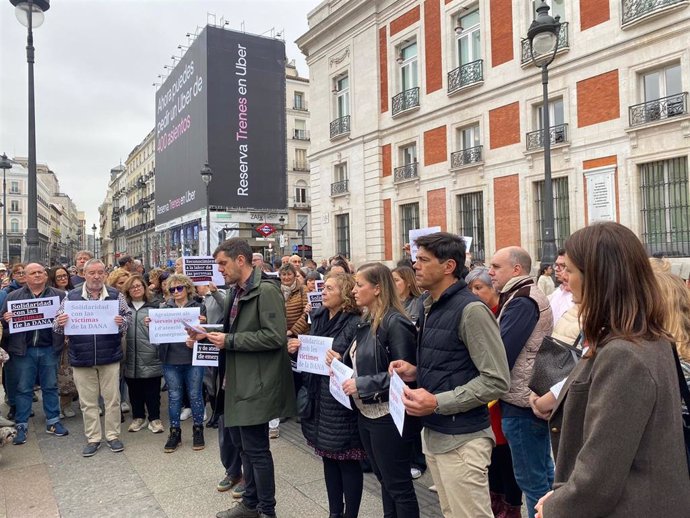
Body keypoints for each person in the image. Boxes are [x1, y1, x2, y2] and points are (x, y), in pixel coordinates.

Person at [535, 222, 690, 518]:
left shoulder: (625, 353)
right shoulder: (643, 338)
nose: (564, 277)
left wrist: (556, 507)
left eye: (570, 269)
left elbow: (600, 471)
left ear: (597, 276)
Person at [392, 234, 510, 518]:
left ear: (448, 266)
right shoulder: (429, 305)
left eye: (423, 260)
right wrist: (417, 371)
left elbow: (496, 380)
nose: (415, 265)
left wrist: (438, 402)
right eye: (415, 259)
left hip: (464, 440)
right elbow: (454, 364)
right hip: (435, 433)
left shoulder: (471, 310)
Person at [191, 237, 295, 518]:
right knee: (243, 448)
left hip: (256, 384)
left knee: (257, 450)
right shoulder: (236, 290)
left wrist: (230, 340)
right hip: (235, 380)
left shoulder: (267, 291)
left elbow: (274, 337)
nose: (219, 269)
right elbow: (232, 332)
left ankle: (266, 511)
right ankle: (250, 504)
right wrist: (203, 336)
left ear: (241, 260)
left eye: (222, 263)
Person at [329, 262, 420, 518]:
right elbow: (362, 361)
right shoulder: (367, 320)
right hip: (366, 412)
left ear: (377, 289)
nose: (354, 291)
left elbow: (404, 374)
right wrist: (339, 361)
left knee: (398, 485)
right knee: (384, 480)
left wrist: (362, 384)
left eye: (359, 285)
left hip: (387, 416)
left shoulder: (396, 322)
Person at [488, 247, 553, 518]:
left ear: (516, 269)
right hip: (527, 395)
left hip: (521, 400)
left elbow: (501, 351)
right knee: (542, 473)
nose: (490, 271)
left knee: (531, 480)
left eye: (496, 266)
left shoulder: (522, 300)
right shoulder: (521, 295)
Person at [292, 273, 363, 518]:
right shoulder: (319, 315)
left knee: (347, 461)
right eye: (324, 288)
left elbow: (359, 360)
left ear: (344, 294)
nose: (323, 291)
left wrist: (341, 359)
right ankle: (335, 512)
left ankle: (350, 514)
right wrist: (299, 349)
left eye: (329, 288)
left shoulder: (355, 322)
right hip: (318, 398)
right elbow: (311, 351)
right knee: (328, 459)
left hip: (340, 400)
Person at [53, 259, 131, 457]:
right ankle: (93, 438)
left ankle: (113, 436)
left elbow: (127, 318)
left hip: (109, 355)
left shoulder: (115, 295)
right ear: (84, 274)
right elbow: (56, 325)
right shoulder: (71, 296)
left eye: (100, 272)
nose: (96, 276)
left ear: (105, 274)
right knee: (88, 402)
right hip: (81, 356)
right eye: (92, 273)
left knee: (112, 399)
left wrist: (121, 322)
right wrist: (61, 322)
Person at [465, 266, 523, 517]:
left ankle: (511, 506)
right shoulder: (472, 314)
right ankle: (495, 502)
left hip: (501, 398)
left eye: (479, 288)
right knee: (491, 457)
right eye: (471, 289)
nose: (474, 293)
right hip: (483, 398)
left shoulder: (503, 314)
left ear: (493, 289)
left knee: (505, 455)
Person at [2, 263, 69, 445]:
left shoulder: (60, 296)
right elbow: (3, 328)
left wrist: (65, 321)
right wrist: (6, 320)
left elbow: (70, 322)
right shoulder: (13, 297)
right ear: (25, 276)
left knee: (50, 386)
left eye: (41, 272)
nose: (37, 275)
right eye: (33, 273)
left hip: (49, 348)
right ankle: (21, 423)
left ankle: (53, 421)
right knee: (23, 388)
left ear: (46, 276)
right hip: (24, 351)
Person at [156, 274, 207, 452]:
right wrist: (152, 325)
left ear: (187, 288)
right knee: (175, 396)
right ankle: (175, 431)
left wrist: (203, 327)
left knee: (195, 394)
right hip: (170, 358)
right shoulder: (163, 308)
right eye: (172, 289)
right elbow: (157, 334)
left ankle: (198, 429)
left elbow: (206, 334)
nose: (176, 292)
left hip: (192, 358)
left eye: (179, 288)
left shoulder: (199, 307)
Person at [122, 275, 164, 434]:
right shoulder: (123, 308)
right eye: (132, 287)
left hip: (151, 354)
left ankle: (155, 418)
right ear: (128, 290)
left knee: (153, 390)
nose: (136, 289)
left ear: (145, 288)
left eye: (139, 285)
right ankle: (138, 417)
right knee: (134, 390)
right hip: (129, 356)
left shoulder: (155, 307)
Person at [48, 266, 77, 418]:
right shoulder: (49, 295)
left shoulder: (74, 293)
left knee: (68, 374)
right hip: (54, 340)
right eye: (58, 277)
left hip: (72, 340)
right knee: (53, 374)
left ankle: (66, 404)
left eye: (65, 275)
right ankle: (54, 407)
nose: (62, 279)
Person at [547, 250, 573, 324]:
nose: (556, 269)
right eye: (556, 265)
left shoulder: (578, 298)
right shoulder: (558, 291)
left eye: (562, 265)